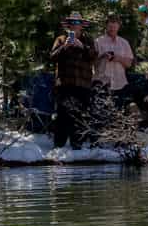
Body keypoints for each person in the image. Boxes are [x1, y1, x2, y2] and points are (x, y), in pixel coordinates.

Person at [50, 16, 94, 150]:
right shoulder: (61, 39)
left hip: (83, 84)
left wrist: (82, 47)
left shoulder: (88, 40)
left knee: (80, 114)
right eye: (72, 23)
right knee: (62, 114)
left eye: (78, 22)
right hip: (64, 83)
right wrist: (65, 46)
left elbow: (94, 56)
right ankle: (59, 146)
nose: (75, 25)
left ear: (82, 25)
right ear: (68, 25)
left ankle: (78, 145)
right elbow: (52, 57)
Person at [91, 14, 135, 115]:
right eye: (110, 26)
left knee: (117, 114)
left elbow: (129, 64)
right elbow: (92, 63)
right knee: (101, 114)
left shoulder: (124, 43)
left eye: (115, 26)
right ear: (106, 26)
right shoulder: (98, 42)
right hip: (102, 83)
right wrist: (103, 57)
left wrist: (118, 58)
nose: (112, 29)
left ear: (119, 27)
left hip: (120, 84)